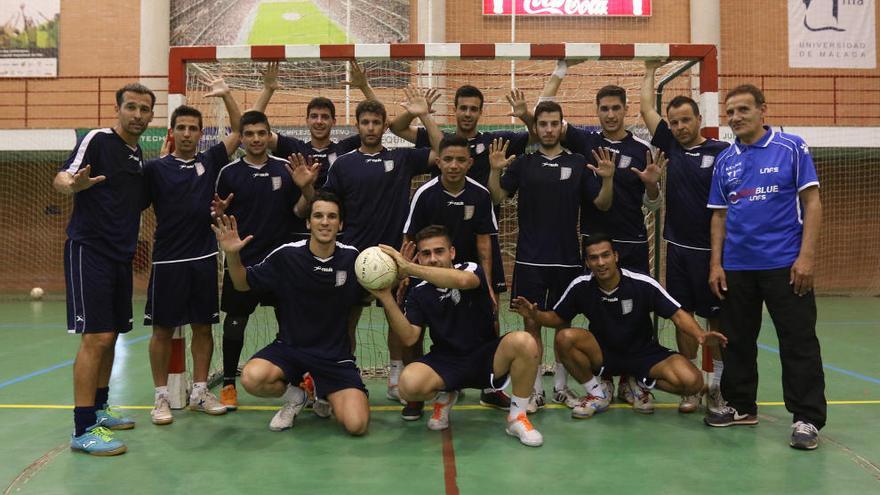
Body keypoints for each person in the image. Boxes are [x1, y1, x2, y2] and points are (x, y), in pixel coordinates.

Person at [389, 84, 532, 409]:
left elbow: (485, 241)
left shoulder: (481, 190)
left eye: (473, 108)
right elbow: (410, 237)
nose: (453, 165)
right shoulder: (425, 192)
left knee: (489, 318)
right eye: (447, 160)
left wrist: (491, 284)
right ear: (438, 161)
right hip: (431, 264)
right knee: (416, 321)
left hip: (471, 269)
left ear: (469, 163)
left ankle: (490, 385)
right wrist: (404, 273)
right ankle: (420, 388)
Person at [705, 84, 826, 451]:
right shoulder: (726, 160)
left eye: (743, 110)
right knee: (738, 341)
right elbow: (719, 217)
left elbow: (812, 202)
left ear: (762, 110)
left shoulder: (791, 147)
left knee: (798, 341)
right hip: (738, 267)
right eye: (730, 113)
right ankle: (741, 406)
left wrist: (806, 258)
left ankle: (806, 418)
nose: (736, 118)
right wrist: (716, 263)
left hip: (785, 265)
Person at [539, 68, 663, 406]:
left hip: (633, 242)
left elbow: (653, 206)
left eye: (615, 108)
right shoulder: (586, 141)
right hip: (594, 244)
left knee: (636, 313)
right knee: (598, 312)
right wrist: (560, 70)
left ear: (626, 110)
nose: (610, 115)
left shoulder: (641, 149)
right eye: (604, 109)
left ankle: (633, 380)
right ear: (597, 111)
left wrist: (652, 185)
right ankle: (604, 376)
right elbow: (542, 110)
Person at [316, 91, 440, 419]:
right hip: (352, 258)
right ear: (356, 125)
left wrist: (423, 115)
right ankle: (343, 376)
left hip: (394, 257)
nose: (371, 128)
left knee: (397, 319)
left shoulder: (401, 159)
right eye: (365, 122)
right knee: (346, 321)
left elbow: (443, 153)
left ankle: (396, 377)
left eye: (376, 122)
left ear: (385, 125)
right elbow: (328, 206)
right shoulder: (343, 164)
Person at [511, 234, 727, 419]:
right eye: (594, 258)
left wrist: (700, 335)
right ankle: (597, 393)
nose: (601, 262)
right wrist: (535, 315)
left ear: (615, 256)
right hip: (604, 354)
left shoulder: (641, 283)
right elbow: (557, 318)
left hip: (643, 353)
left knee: (692, 381)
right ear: (587, 262)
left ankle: (640, 382)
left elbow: (678, 315)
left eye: (605, 255)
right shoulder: (581, 286)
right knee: (564, 338)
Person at [487, 100, 615, 412]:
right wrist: (493, 171)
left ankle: (560, 386)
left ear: (561, 126)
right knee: (531, 322)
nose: (548, 129)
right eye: (542, 124)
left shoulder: (578, 163)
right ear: (536, 127)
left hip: (567, 259)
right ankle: (535, 389)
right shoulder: (523, 163)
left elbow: (602, 204)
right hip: (530, 258)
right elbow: (497, 196)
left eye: (553, 124)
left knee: (562, 325)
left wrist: (609, 179)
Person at [212, 192, 370, 435]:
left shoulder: (354, 258)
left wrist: (389, 279)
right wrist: (232, 254)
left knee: (356, 426)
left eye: (331, 216)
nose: (325, 222)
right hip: (291, 349)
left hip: (334, 357)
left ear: (341, 224)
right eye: (318, 216)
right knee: (252, 378)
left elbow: (367, 295)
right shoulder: (287, 255)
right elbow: (243, 284)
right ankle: (297, 396)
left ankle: (323, 391)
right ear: (308, 222)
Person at [370, 226, 544, 447]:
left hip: (486, 356)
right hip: (446, 360)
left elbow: (462, 282)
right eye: (425, 254)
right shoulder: (419, 292)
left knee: (525, 342)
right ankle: (446, 395)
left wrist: (408, 267)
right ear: (420, 258)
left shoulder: (470, 268)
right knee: (408, 385)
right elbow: (409, 337)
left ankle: (517, 418)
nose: (432, 259)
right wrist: (386, 297)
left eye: (439, 251)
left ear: (452, 253)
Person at [54, 83, 155, 455]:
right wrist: (73, 184)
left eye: (145, 110)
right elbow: (63, 176)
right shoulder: (98, 139)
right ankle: (82, 429)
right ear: (119, 108)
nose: (138, 115)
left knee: (110, 336)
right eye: (131, 107)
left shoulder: (137, 154)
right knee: (95, 338)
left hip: (120, 256)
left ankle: (99, 408)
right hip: (89, 250)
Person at [143, 77, 242, 425]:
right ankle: (161, 397)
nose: (187, 133)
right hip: (167, 261)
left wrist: (228, 95)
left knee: (203, 328)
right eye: (181, 128)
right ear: (172, 132)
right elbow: (135, 206)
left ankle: (200, 390)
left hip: (203, 259)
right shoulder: (154, 169)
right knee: (161, 331)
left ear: (201, 133)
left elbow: (239, 131)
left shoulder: (210, 161)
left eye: (193, 129)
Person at [640, 60, 731, 414]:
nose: (678, 127)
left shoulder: (722, 153)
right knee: (685, 318)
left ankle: (718, 384)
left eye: (685, 120)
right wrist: (649, 70)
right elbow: (647, 108)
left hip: (712, 254)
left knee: (716, 321)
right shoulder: (671, 149)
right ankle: (692, 385)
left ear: (698, 119)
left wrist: (721, 258)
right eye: (674, 122)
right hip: (677, 250)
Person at [214, 110, 315, 409]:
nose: (256, 139)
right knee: (235, 323)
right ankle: (230, 383)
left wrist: (307, 187)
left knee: (290, 324)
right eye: (250, 134)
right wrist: (218, 214)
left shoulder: (285, 168)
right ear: (242, 138)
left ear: (269, 135)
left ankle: (297, 381)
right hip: (242, 264)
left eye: (262, 133)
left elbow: (300, 212)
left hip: (281, 264)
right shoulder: (228, 173)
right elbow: (218, 214)